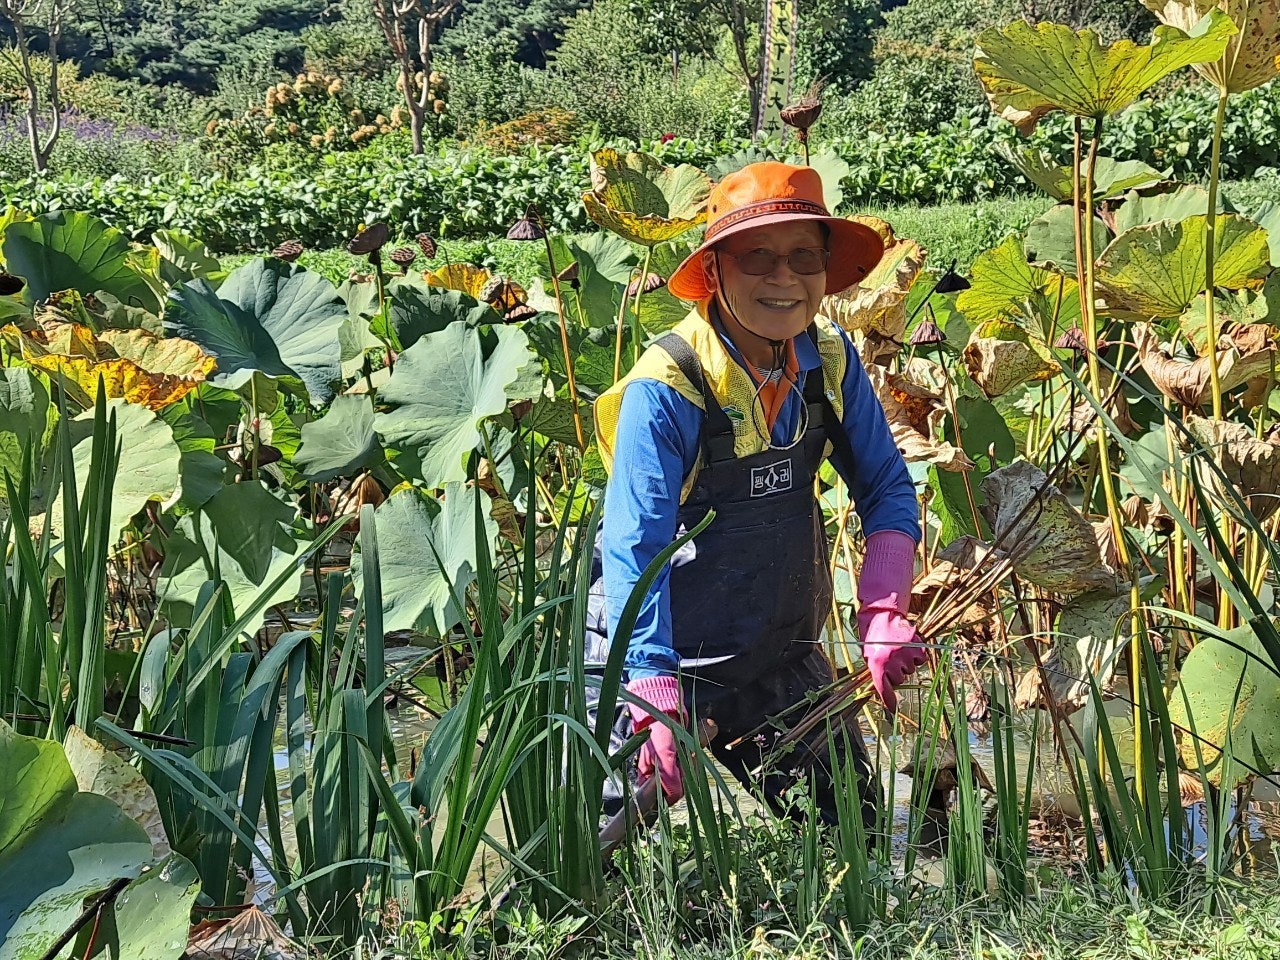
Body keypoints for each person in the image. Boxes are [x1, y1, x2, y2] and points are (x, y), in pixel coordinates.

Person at [585, 161, 925, 820]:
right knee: (598, 851)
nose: (783, 278)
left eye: (804, 257)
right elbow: (635, 545)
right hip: (648, 651)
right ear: (714, 272)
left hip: (772, 652)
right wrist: (651, 683)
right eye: (757, 258)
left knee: (852, 832)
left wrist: (883, 610)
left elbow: (886, 486)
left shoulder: (829, 359)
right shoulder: (669, 386)